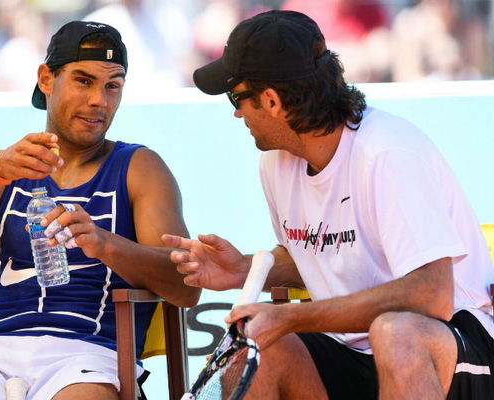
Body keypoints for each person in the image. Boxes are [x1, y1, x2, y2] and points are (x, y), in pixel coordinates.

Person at [162, 10, 494, 400]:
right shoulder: (275, 163)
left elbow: (430, 296)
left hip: (452, 342)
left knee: (394, 333)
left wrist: (290, 317)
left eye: (237, 97)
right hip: (352, 351)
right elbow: (326, 252)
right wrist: (245, 269)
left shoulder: (388, 151)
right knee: (258, 350)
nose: (236, 112)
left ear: (270, 100)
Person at [0, 20, 200, 400]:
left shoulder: (139, 167)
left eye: (113, 86)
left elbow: (185, 288)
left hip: (89, 358)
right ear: (46, 79)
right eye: (83, 81)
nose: (99, 101)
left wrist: (106, 244)